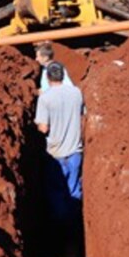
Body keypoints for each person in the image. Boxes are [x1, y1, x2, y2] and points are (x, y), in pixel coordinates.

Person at [35, 62, 85, 225]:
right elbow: (81, 115)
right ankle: (75, 227)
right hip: (75, 151)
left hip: (55, 154)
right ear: (63, 75)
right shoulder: (76, 93)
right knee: (73, 190)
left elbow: (43, 128)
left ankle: (59, 229)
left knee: (57, 193)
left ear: (48, 77)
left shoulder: (45, 98)